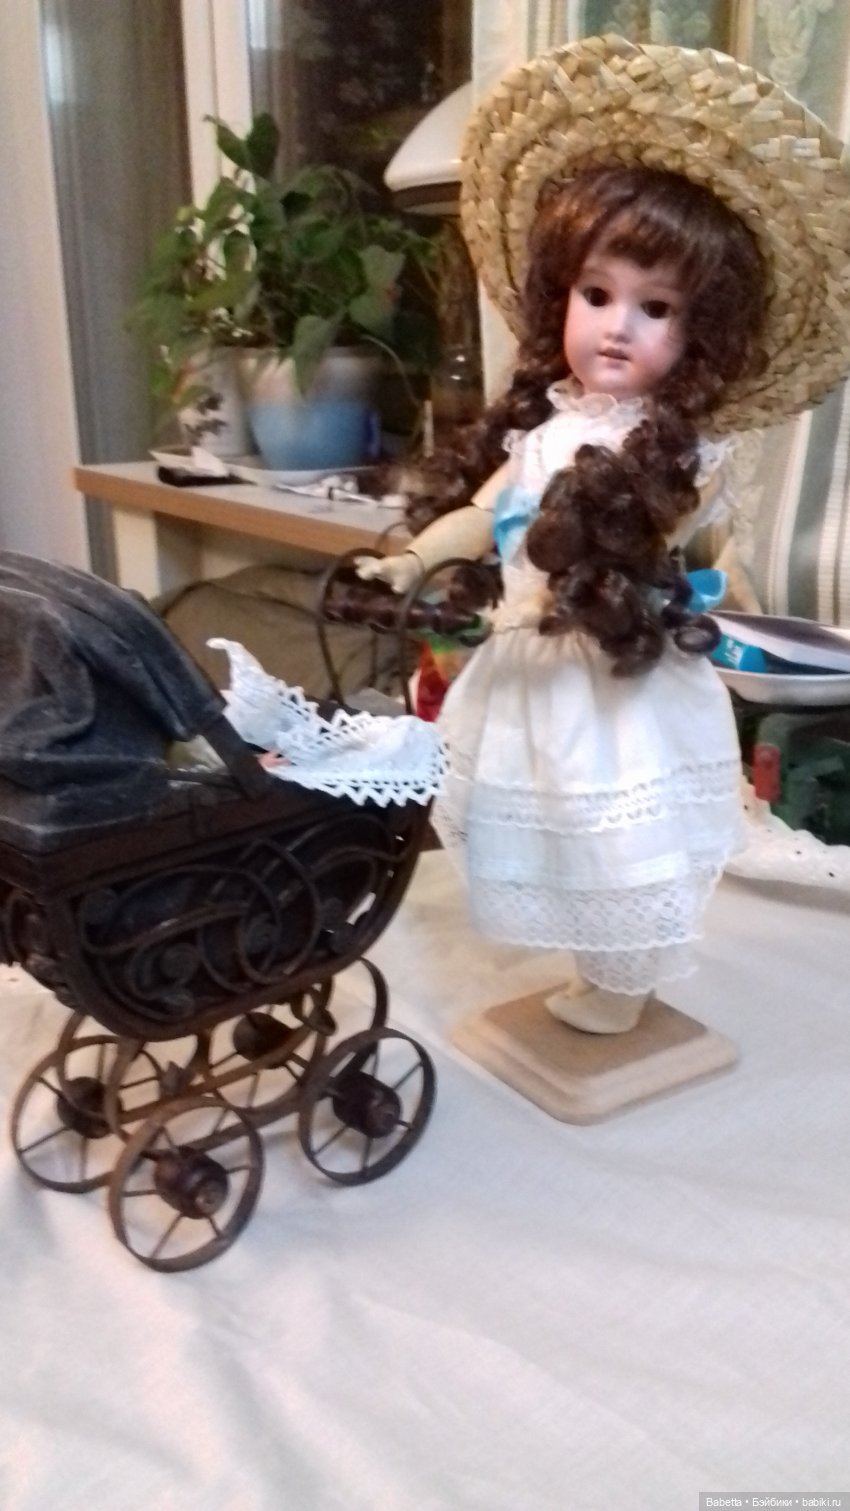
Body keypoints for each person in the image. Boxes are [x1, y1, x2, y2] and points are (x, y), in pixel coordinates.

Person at [358, 35, 850, 1034]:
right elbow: (485, 508)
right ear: (561, 297)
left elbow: (654, 528)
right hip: (529, 670)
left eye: (654, 307)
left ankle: (624, 980)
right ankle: (597, 968)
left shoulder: (676, 451)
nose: (617, 326)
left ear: (700, 333)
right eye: (597, 295)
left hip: (614, 675)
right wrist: (412, 556)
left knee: (616, 831)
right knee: (548, 828)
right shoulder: (546, 426)